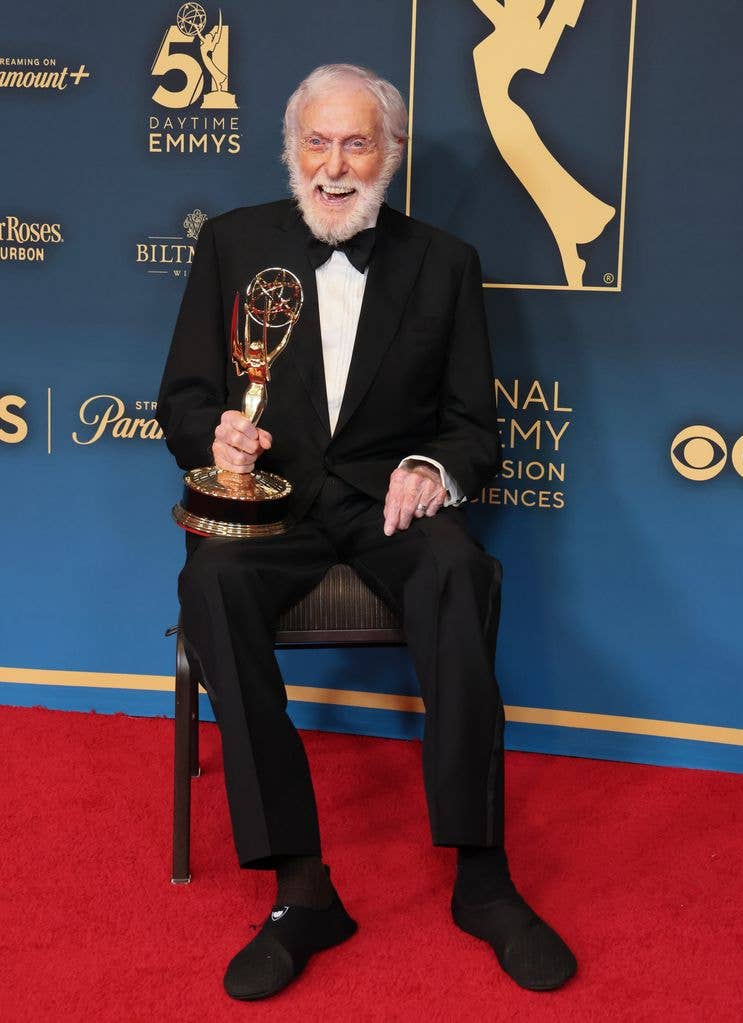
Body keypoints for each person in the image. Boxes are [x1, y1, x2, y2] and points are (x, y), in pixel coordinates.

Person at [157, 63, 576, 1000]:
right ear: (291, 146)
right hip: (269, 505)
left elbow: (476, 428)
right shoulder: (231, 245)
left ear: (391, 154)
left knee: (462, 575)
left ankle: (482, 874)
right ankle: (301, 885)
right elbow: (183, 397)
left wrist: (433, 471)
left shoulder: (445, 262)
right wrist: (215, 434)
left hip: (391, 507)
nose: (334, 165)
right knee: (211, 584)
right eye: (318, 141)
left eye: (356, 143)